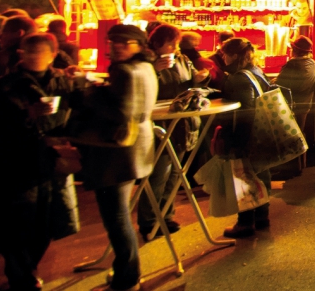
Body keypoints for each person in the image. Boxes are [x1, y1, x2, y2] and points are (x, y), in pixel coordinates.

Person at [0, 33, 82, 290]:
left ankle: (29, 267)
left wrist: (81, 86)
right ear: (21, 54)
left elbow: (79, 114)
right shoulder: (3, 86)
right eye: (28, 52)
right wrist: (26, 115)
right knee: (19, 222)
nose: (33, 57)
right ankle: (21, 275)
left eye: (39, 52)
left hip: (52, 163)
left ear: (52, 55)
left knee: (46, 223)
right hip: (16, 164)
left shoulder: (62, 82)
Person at [80, 24, 157, 291]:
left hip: (117, 150)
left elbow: (121, 112)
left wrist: (89, 92)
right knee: (121, 213)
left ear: (138, 45)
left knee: (116, 217)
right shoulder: (146, 67)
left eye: (123, 43)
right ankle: (126, 272)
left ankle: (127, 277)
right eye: (112, 42)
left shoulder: (123, 70)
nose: (116, 47)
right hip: (138, 145)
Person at [139, 23, 207, 239]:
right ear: (157, 43)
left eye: (175, 44)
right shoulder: (145, 62)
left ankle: (166, 215)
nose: (174, 48)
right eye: (170, 44)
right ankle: (150, 221)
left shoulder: (182, 59)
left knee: (176, 172)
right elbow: (145, 90)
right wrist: (153, 70)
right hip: (162, 123)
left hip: (182, 122)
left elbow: (189, 80)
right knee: (159, 171)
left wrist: (199, 78)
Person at [217, 38, 274, 238]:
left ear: (233, 56)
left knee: (244, 177)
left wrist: (235, 140)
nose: (222, 56)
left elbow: (246, 109)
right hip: (263, 131)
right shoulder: (256, 71)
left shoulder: (240, 77)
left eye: (224, 53)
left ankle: (245, 223)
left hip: (247, 135)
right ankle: (261, 217)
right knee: (261, 175)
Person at [275, 36, 315, 138]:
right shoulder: (312, 63)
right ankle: (301, 152)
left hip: (290, 104)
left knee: (289, 133)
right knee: (299, 131)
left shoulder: (292, 64)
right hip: (305, 103)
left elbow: (279, 83)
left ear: (295, 50)